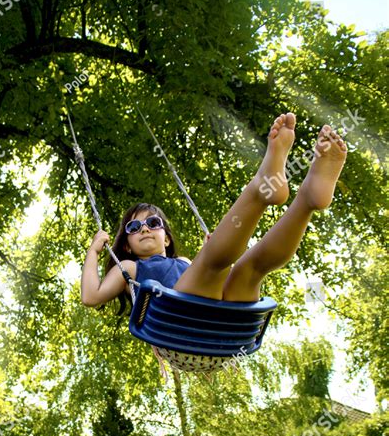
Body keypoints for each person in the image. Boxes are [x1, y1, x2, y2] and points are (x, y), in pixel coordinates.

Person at [81, 113, 347, 310]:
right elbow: (90, 297)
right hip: (177, 317)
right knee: (214, 260)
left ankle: (307, 201)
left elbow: (210, 274)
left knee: (250, 266)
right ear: (126, 246)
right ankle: (260, 189)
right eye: (134, 228)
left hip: (228, 314)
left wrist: (215, 249)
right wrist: (94, 251)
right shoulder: (130, 267)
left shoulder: (184, 262)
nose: (145, 229)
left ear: (167, 238)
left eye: (152, 222)